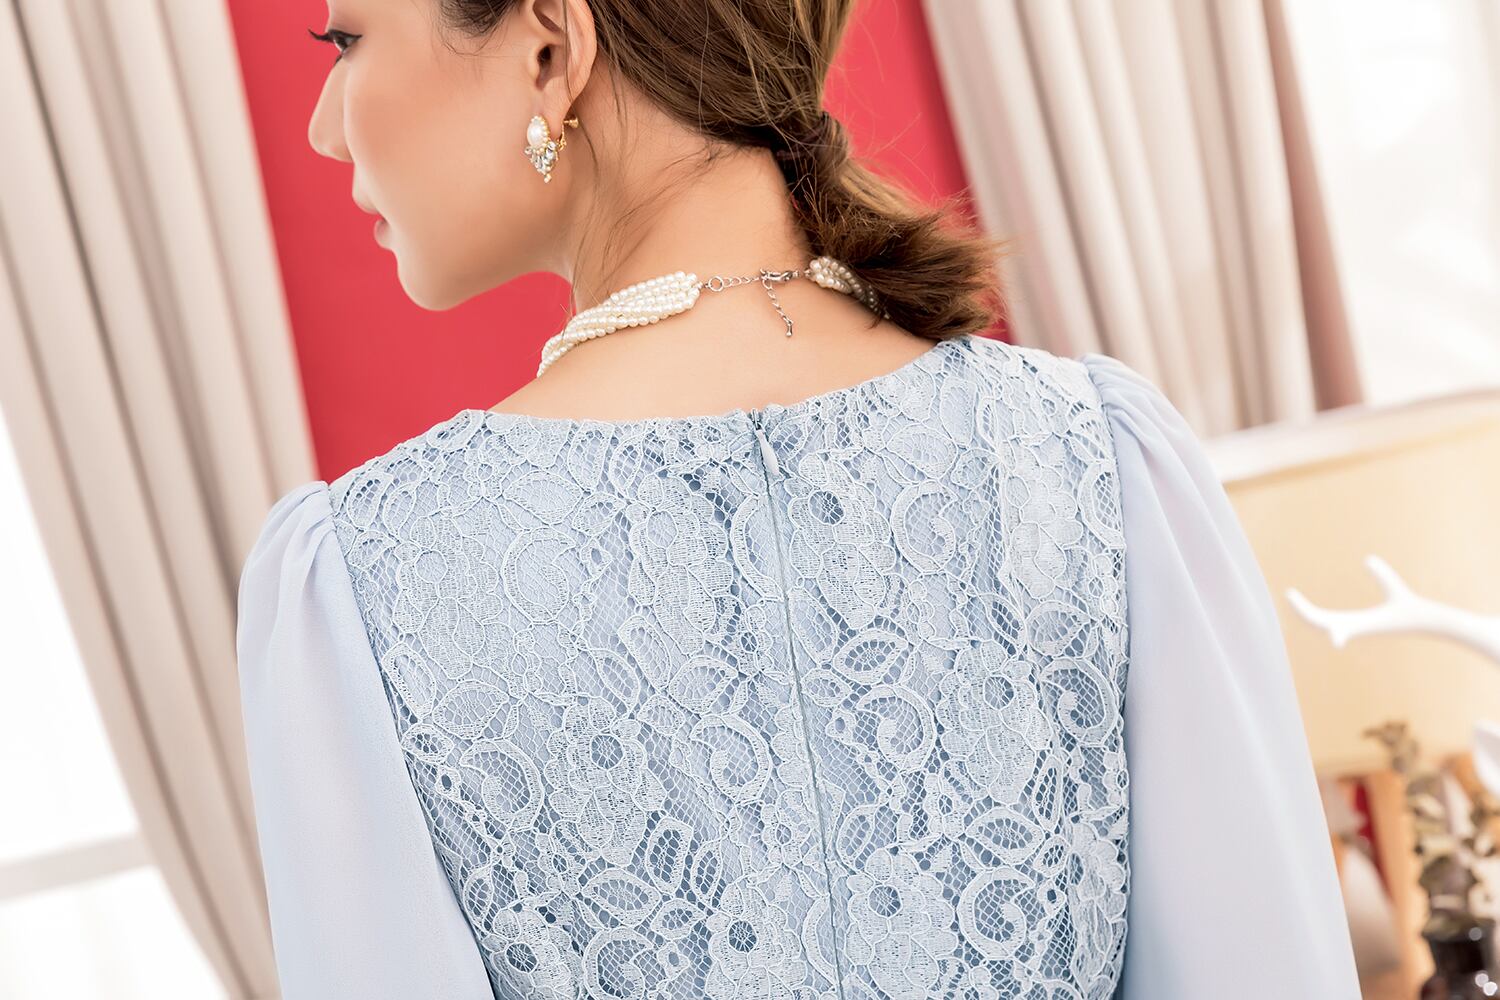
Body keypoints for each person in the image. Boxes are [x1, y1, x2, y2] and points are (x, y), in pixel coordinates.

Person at [237, 0, 1362, 996]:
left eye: (347, 41)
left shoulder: (367, 585)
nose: (325, 126)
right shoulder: (1096, 463)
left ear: (550, 47)